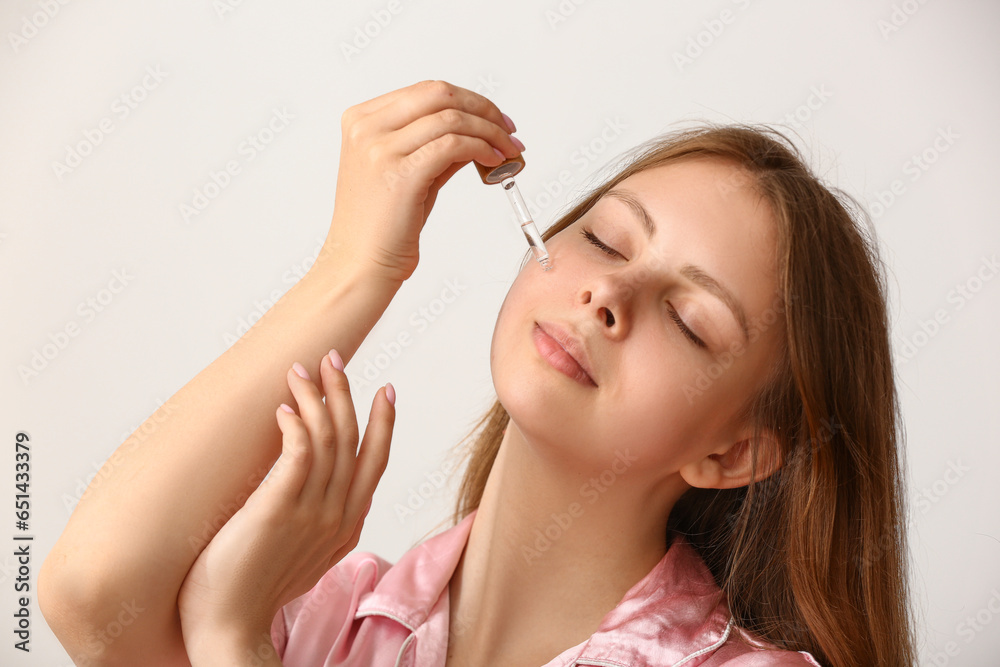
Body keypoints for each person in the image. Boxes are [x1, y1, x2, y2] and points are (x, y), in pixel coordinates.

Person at [39, 80, 916, 667]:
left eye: (689, 320)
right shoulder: (338, 618)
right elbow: (92, 592)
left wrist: (231, 635)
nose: (607, 290)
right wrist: (355, 267)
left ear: (732, 454)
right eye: (605, 238)